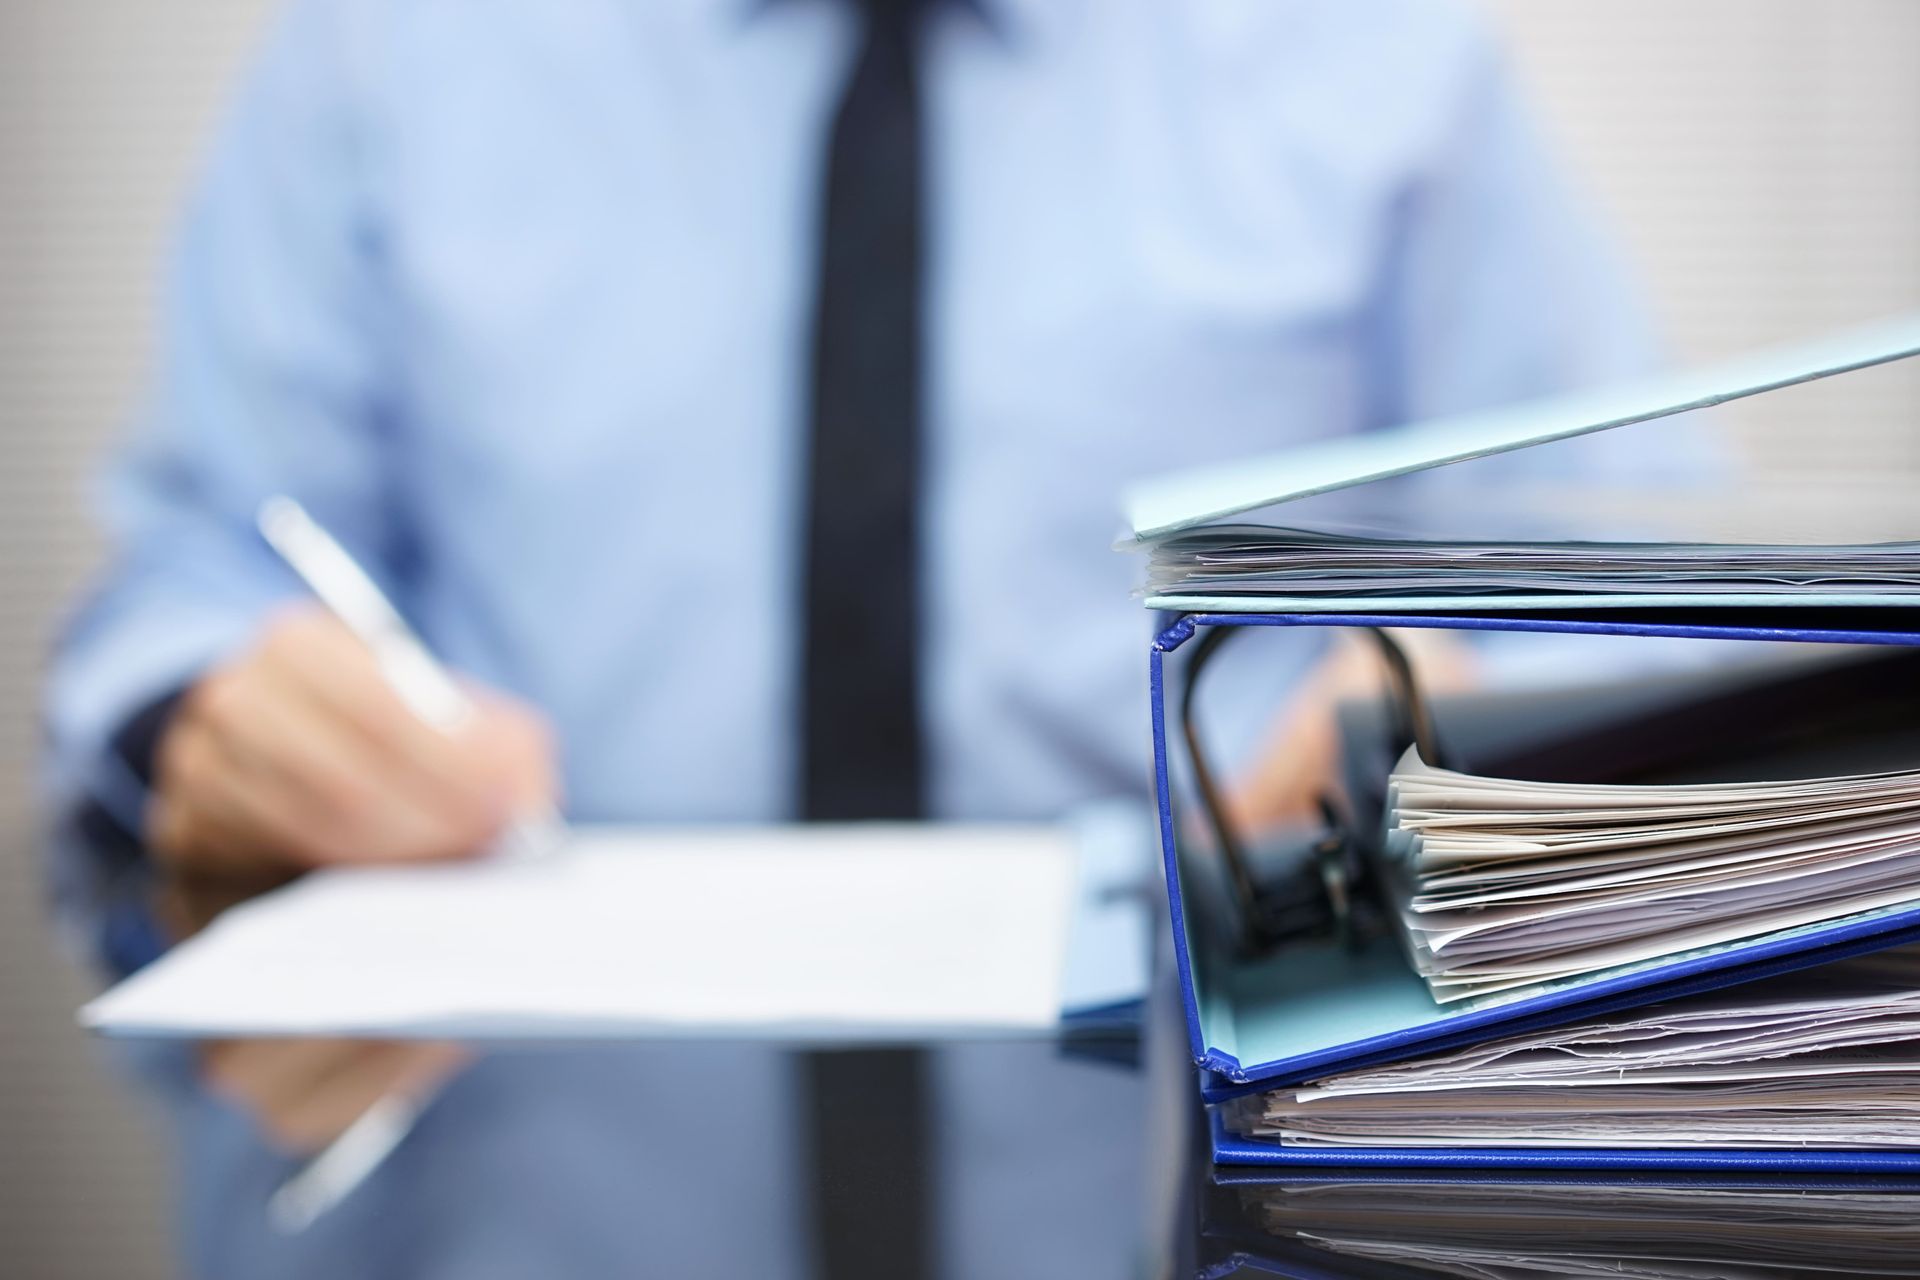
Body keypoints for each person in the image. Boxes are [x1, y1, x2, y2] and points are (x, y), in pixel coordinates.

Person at [43, 0, 1682, 1276]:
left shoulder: (1380, 55)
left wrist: (1450, 722)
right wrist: (207, 706)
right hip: (493, 1132)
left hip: (1216, 1082)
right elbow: (204, 555)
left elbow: (1655, 586)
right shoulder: (392, 50)